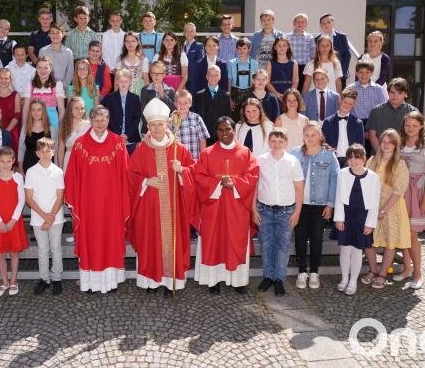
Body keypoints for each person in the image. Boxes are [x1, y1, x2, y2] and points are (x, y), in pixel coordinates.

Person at [127, 98, 197, 292]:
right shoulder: (141, 149)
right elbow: (130, 175)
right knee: (150, 241)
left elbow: (193, 171)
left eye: (160, 124)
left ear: (167, 124)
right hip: (148, 208)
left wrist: (181, 170)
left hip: (173, 207)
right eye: (153, 125)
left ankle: (169, 281)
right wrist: (146, 182)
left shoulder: (178, 148)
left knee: (170, 242)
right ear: (147, 126)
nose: (157, 129)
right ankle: (151, 280)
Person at [64, 106, 131, 293]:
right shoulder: (80, 144)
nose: (100, 124)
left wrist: (123, 200)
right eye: (96, 120)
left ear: (108, 121)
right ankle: (91, 282)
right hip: (88, 204)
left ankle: (112, 282)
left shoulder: (118, 143)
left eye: (103, 120)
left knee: (111, 238)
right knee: (91, 238)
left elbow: (126, 175)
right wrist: (75, 199)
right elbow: (72, 176)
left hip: (112, 203)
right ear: (90, 121)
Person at [193, 117, 260, 294]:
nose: (225, 133)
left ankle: (237, 282)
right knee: (213, 241)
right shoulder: (207, 153)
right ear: (216, 133)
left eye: (228, 129)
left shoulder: (245, 153)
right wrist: (218, 184)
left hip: (236, 208)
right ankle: (213, 280)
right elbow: (199, 177)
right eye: (221, 130)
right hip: (213, 208)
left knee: (234, 241)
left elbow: (253, 176)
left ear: (234, 130)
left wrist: (235, 184)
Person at [253, 128, 304, 296]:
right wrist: (253, 209)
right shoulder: (260, 160)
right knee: (266, 244)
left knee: (283, 246)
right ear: (269, 141)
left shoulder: (293, 161)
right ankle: (268, 276)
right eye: (273, 141)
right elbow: (254, 187)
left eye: (280, 142)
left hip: (286, 211)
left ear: (286, 143)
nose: (276, 144)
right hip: (264, 210)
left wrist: (296, 213)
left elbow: (299, 189)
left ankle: (279, 279)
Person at [289, 121, 339, 289]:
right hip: (300, 205)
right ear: (303, 136)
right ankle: (302, 271)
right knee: (300, 237)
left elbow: (335, 180)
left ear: (320, 136)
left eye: (314, 135)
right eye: (307, 135)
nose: (310, 138)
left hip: (320, 205)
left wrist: (330, 204)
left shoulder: (329, 155)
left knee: (317, 239)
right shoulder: (295, 153)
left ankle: (315, 272)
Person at [396, 111, 425, 289]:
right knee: (403, 232)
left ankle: (418, 273)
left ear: (421, 125)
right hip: (401, 191)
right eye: (407, 125)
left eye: (414, 125)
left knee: (413, 234)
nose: (410, 128)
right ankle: (406, 269)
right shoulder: (400, 142)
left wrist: (424, 200)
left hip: (418, 191)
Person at [362, 129, 411, 289]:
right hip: (372, 205)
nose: (386, 145)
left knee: (390, 243)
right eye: (383, 141)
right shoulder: (371, 161)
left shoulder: (400, 164)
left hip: (392, 208)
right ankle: (373, 270)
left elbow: (398, 191)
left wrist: (383, 210)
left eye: (390, 142)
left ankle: (383, 274)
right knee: (369, 241)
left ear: (396, 145)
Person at [333, 144, 380, 295]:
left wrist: (370, 223)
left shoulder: (373, 177)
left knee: (357, 250)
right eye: (350, 158)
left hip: (362, 216)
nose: (354, 161)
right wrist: (339, 219)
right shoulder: (342, 173)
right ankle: (344, 279)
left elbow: (375, 202)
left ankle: (353, 281)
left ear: (364, 159)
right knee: (345, 249)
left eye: (357, 157)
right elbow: (339, 197)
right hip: (346, 215)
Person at [0, 146, 29, 297]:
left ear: (13, 161)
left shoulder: (18, 177)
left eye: (8, 161)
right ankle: (4, 281)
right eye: (2, 161)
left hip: (13, 221)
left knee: (14, 252)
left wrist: (13, 220)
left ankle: (14, 280)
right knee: (1, 253)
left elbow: (21, 200)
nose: (5, 164)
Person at [25, 138, 66, 295]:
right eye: (42, 151)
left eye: (48, 151)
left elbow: (59, 197)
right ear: (37, 153)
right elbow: (29, 198)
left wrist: (51, 217)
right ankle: (44, 278)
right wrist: (44, 216)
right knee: (42, 249)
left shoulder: (58, 172)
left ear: (53, 152)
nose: (45, 154)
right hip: (38, 218)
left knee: (56, 248)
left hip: (56, 218)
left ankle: (56, 278)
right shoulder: (31, 171)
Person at [345, 61, 388, 155]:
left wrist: (373, 129)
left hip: (373, 124)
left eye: (367, 72)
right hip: (355, 123)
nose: (363, 75)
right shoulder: (350, 89)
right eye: (360, 72)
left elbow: (383, 110)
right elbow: (346, 108)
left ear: (372, 73)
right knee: (356, 152)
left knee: (373, 153)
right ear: (356, 73)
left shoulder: (378, 89)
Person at [366, 77, 418, 153]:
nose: (395, 96)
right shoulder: (376, 111)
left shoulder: (413, 111)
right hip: (379, 155)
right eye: (392, 92)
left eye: (399, 93)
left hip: (405, 156)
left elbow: (416, 135)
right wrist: (380, 154)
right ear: (388, 92)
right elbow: (372, 135)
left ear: (406, 94)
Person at [102, 69, 141, 155]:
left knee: (131, 165)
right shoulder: (110, 98)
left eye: (126, 81)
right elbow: (108, 118)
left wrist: (127, 135)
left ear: (130, 82)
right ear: (117, 82)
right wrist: (118, 135)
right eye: (121, 81)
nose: (123, 84)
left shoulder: (135, 98)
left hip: (131, 139)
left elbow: (136, 119)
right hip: (114, 138)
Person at [322, 89, 365, 168]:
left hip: (351, 160)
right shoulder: (327, 122)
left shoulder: (358, 123)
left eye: (350, 104)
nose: (347, 105)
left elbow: (360, 145)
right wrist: (327, 147)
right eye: (345, 102)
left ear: (354, 105)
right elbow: (322, 142)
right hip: (332, 159)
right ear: (340, 100)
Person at [21, 56, 66, 131]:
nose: (42, 71)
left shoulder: (57, 84)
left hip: (52, 122)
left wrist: (61, 128)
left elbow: (61, 108)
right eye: (40, 67)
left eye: (46, 68)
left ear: (50, 69)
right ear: (36, 68)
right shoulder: (29, 84)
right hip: (33, 121)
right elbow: (26, 107)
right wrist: (24, 125)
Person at [194, 65, 232, 147]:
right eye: (210, 75)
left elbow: (227, 117)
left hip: (220, 135)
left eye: (216, 75)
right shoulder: (199, 95)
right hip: (204, 136)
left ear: (220, 77)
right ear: (206, 76)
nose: (213, 77)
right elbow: (198, 117)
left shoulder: (226, 95)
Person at [18, 99, 57, 175]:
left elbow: (55, 150)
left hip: (47, 169)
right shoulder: (25, 128)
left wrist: (55, 169)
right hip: (28, 168)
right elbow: (21, 149)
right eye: (33, 110)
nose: (36, 113)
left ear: (43, 112)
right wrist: (20, 170)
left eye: (39, 110)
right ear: (30, 112)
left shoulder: (51, 129)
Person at [0, 68, 22, 156]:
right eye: (1, 78)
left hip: (11, 131)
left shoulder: (16, 95)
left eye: (6, 78)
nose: (4, 80)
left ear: (10, 79)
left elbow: (17, 115)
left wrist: (6, 131)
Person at [171, 90, 210, 162]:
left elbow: (202, 140)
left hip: (194, 160)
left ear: (190, 104)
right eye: (179, 103)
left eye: (185, 103)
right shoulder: (171, 121)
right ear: (175, 104)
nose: (182, 105)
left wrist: (202, 159)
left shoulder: (197, 118)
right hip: (177, 161)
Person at [140, 61, 176, 135]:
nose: (156, 76)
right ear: (150, 74)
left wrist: (163, 96)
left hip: (166, 129)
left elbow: (173, 111)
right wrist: (151, 128)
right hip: (149, 129)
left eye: (159, 74)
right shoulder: (145, 90)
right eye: (153, 73)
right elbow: (143, 112)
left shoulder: (170, 90)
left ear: (164, 75)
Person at [316, 13, 352, 85]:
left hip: (339, 74)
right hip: (322, 75)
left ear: (333, 23)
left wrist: (341, 72)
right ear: (320, 25)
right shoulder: (316, 39)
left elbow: (347, 55)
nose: (326, 25)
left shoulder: (342, 37)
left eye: (328, 22)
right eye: (323, 23)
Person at [58, 97, 90, 172]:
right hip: (69, 160)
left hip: (86, 160)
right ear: (70, 110)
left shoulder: (89, 125)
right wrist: (60, 170)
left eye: (82, 108)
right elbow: (61, 149)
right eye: (76, 108)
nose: (79, 111)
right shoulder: (64, 126)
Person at [287, 13, 317, 92]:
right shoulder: (287, 37)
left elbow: (313, 55)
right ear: (294, 23)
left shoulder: (309, 38)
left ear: (306, 24)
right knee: (292, 90)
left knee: (304, 89)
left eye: (303, 22)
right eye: (298, 21)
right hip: (291, 68)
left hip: (305, 68)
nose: (300, 24)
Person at [226, 37, 258, 109]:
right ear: (236, 49)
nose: (242, 51)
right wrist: (229, 97)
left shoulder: (254, 63)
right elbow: (229, 80)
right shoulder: (231, 63)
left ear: (249, 49)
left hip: (250, 93)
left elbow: (256, 81)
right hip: (235, 93)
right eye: (239, 48)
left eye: (244, 48)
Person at [116, 31, 149, 96]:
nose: (130, 43)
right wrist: (116, 96)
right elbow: (116, 79)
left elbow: (146, 79)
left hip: (139, 92)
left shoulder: (144, 59)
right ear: (124, 43)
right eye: (127, 41)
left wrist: (146, 97)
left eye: (133, 41)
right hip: (123, 92)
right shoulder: (120, 59)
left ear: (137, 42)